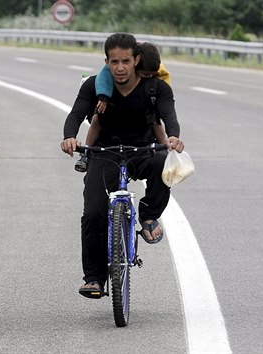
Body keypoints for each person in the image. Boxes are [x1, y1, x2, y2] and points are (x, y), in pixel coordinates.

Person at [60, 32, 185, 298]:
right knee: (93, 213)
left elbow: (168, 115)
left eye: (126, 61)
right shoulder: (95, 86)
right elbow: (76, 113)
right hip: (105, 152)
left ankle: (150, 214)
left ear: (136, 59)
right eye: (114, 61)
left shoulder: (156, 87)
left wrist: (173, 136)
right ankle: (94, 278)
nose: (120, 68)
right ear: (106, 61)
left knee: (162, 163)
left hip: (143, 148)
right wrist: (69, 136)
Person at [74, 42, 170, 173]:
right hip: (108, 94)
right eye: (145, 75)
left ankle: (166, 147)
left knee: (154, 117)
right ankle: (85, 153)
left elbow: (163, 92)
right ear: (135, 65)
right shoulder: (116, 68)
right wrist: (104, 97)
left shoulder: (156, 70)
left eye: (151, 75)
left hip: (144, 101)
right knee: (98, 118)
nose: (148, 78)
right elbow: (103, 79)